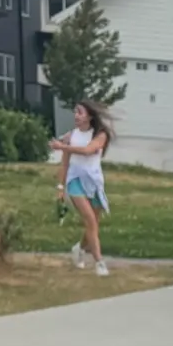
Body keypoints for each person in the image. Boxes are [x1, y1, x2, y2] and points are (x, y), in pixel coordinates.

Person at [50, 101, 112, 276]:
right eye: (75, 112)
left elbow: (87, 150)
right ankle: (99, 262)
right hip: (75, 181)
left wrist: (62, 146)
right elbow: (65, 164)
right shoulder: (71, 136)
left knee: (94, 224)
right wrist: (60, 187)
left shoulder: (100, 135)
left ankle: (80, 248)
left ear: (90, 116)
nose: (76, 116)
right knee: (90, 220)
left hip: (94, 182)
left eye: (80, 112)